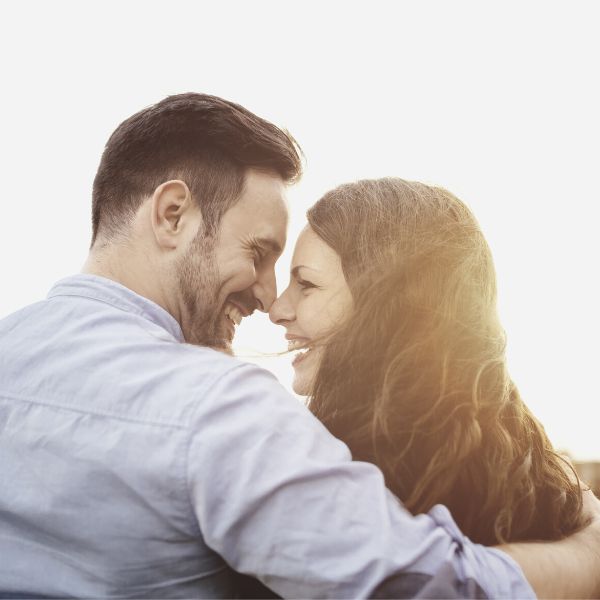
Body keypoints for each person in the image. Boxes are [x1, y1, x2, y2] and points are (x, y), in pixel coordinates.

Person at [0, 93, 598, 599]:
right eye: (259, 254)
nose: (268, 299)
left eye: (300, 280)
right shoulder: (215, 406)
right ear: (172, 214)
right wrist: (588, 556)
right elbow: (423, 585)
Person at [269, 177, 588, 545]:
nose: (277, 309)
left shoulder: (338, 479)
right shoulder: (533, 481)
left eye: (306, 285)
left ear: (387, 307)